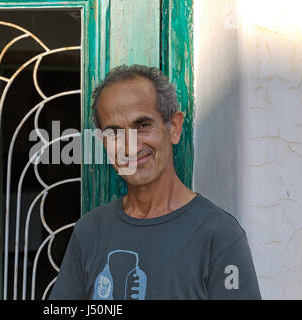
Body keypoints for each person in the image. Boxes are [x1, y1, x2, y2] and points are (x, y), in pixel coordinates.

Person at [49, 65, 261, 300]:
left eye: (143, 125)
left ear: (174, 128)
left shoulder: (219, 236)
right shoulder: (89, 231)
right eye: (115, 132)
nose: (130, 147)